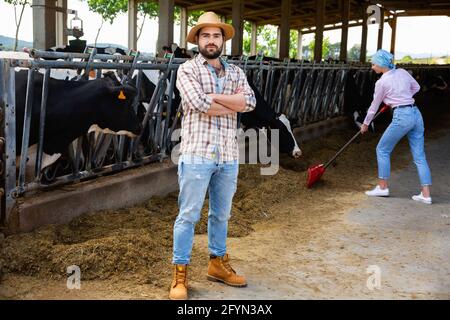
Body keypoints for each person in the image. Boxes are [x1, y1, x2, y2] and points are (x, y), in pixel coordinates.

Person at [169, 12, 256, 300]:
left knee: (222, 214)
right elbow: (196, 102)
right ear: (197, 40)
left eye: (216, 35)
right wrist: (233, 103)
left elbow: (251, 102)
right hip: (197, 154)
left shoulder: (236, 72)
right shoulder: (187, 70)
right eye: (205, 35)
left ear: (223, 40)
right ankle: (179, 273)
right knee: (189, 215)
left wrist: (215, 100)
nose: (211, 40)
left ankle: (217, 263)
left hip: (228, 155)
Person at [361, 49, 432, 204]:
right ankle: (426, 195)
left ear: (380, 64)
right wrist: (401, 97)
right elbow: (417, 88)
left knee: (382, 149)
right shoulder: (403, 72)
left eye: (373, 64)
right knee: (419, 156)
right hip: (415, 113)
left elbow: (374, 106)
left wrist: (365, 124)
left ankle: (382, 187)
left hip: (402, 116)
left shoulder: (381, 82)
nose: (372, 67)